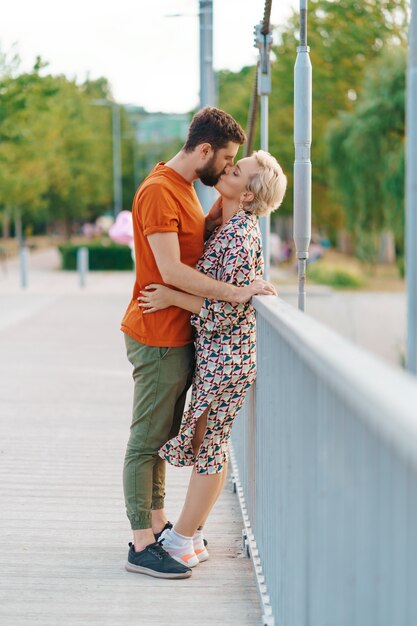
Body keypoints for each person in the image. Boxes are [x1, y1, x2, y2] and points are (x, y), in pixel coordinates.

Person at [121, 107, 277, 579]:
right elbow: (171, 272)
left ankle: (163, 526)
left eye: (236, 165)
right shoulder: (160, 191)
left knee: (170, 438)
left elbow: (219, 238)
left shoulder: (190, 191)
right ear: (205, 151)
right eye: (228, 158)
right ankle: (141, 541)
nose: (229, 166)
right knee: (149, 440)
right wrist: (238, 292)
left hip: (189, 337)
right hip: (158, 332)